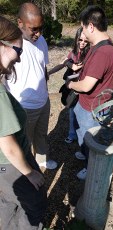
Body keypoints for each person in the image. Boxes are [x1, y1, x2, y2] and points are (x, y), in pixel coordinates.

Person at [0, 15, 47, 230]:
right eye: (18, 51)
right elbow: (8, 145)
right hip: (9, 165)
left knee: (6, 203)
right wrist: (29, 172)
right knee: (34, 204)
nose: (19, 58)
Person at [5, 2, 57, 170]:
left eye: (40, 28)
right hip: (24, 107)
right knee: (24, 143)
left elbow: (43, 68)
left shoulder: (41, 41)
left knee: (41, 135)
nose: (38, 33)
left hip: (43, 101)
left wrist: (46, 92)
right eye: (33, 29)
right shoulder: (9, 45)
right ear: (20, 23)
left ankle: (42, 161)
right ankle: (26, 172)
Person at [67, 5, 113, 179]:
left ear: (91, 26)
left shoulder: (103, 51)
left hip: (93, 108)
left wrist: (71, 85)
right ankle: (84, 151)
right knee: (83, 136)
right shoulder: (100, 44)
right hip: (87, 104)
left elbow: (87, 85)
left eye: (83, 28)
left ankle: (91, 167)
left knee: (91, 140)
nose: (83, 34)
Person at [48, 27, 89, 144]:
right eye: (80, 40)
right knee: (71, 111)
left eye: (85, 41)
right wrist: (50, 72)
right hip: (72, 88)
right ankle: (72, 134)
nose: (82, 43)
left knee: (82, 115)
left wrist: (70, 65)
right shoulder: (73, 52)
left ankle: (83, 138)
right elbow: (62, 64)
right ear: (76, 39)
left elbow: (78, 68)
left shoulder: (89, 54)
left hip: (82, 88)